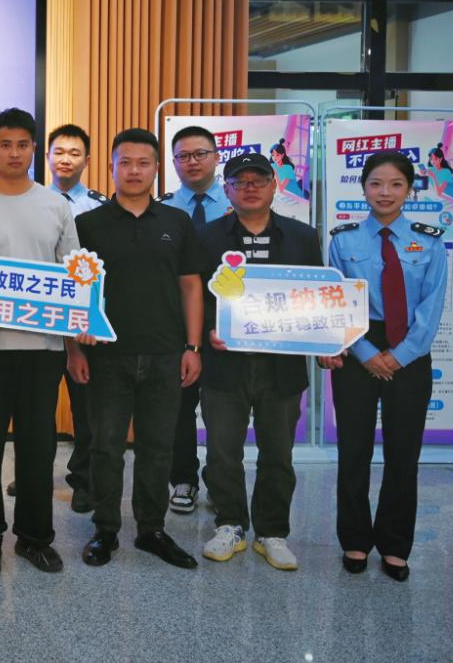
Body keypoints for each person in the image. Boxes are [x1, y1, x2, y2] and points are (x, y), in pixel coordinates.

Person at [0, 108, 82, 575]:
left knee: (37, 446)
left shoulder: (55, 205)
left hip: (42, 349)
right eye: (5, 144)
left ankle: (34, 537)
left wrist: (75, 336)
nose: (13, 152)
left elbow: (73, 272)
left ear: (33, 150)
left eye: (22, 144)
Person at [73, 128, 203, 570]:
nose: (133, 171)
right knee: (106, 446)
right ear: (111, 167)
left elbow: (190, 286)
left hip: (166, 354)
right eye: (124, 162)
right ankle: (105, 529)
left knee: (158, 447)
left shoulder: (176, 222)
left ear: (156, 168)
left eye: (143, 163)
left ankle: (151, 529)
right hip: (106, 355)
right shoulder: (88, 225)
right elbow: (74, 292)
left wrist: (192, 346)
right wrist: (74, 350)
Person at [326, 151, 447, 582]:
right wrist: (365, 353)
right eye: (376, 183)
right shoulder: (342, 241)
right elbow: (337, 301)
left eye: (396, 184)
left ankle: (395, 545)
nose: (385, 192)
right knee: (353, 450)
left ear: (409, 190)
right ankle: (355, 540)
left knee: (403, 453)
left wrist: (398, 356)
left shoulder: (429, 242)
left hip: (410, 351)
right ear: (363, 188)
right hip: (358, 344)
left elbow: (432, 307)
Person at [198, 152, 320, 571]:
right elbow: (195, 296)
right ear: (227, 189)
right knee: (222, 451)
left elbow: (316, 296)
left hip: (281, 367)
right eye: (239, 181)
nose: (249, 188)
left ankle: (272, 532)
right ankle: (229, 524)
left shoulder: (302, 237)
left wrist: (325, 339)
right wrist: (206, 332)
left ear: (273, 186)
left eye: (258, 180)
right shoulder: (208, 236)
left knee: (278, 454)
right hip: (224, 363)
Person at [7, 123, 106, 508]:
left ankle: (84, 480)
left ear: (87, 160)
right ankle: (31, 475)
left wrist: (88, 319)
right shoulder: (26, 200)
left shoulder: (100, 207)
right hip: (38, 320)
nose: (66, 159)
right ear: (46, 156)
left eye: (74, 153)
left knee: (87, 409)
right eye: (59, 152)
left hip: (81, 324)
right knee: (34, 407)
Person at [157, 124, 228, 515]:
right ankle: (182, 479)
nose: (193, 162)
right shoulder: (163, 209)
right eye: (183, 156)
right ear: (173, 163)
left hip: (228, 320)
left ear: (216, 157)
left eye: (200, 154)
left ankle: (220, 479)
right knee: (178, 405)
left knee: (223, 407)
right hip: (176, 319)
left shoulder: (238, 203)